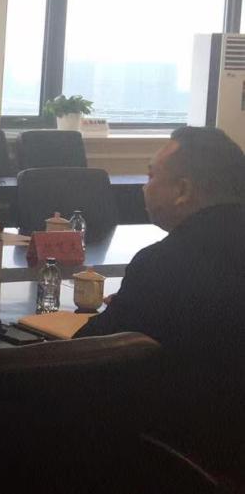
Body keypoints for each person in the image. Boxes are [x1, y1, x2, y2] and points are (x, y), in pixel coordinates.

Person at [75, 126, 245, 469]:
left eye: (151, 176)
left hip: (190, 456)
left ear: (183, 190)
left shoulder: (166, 262)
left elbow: (89, 354)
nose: (144, 186)